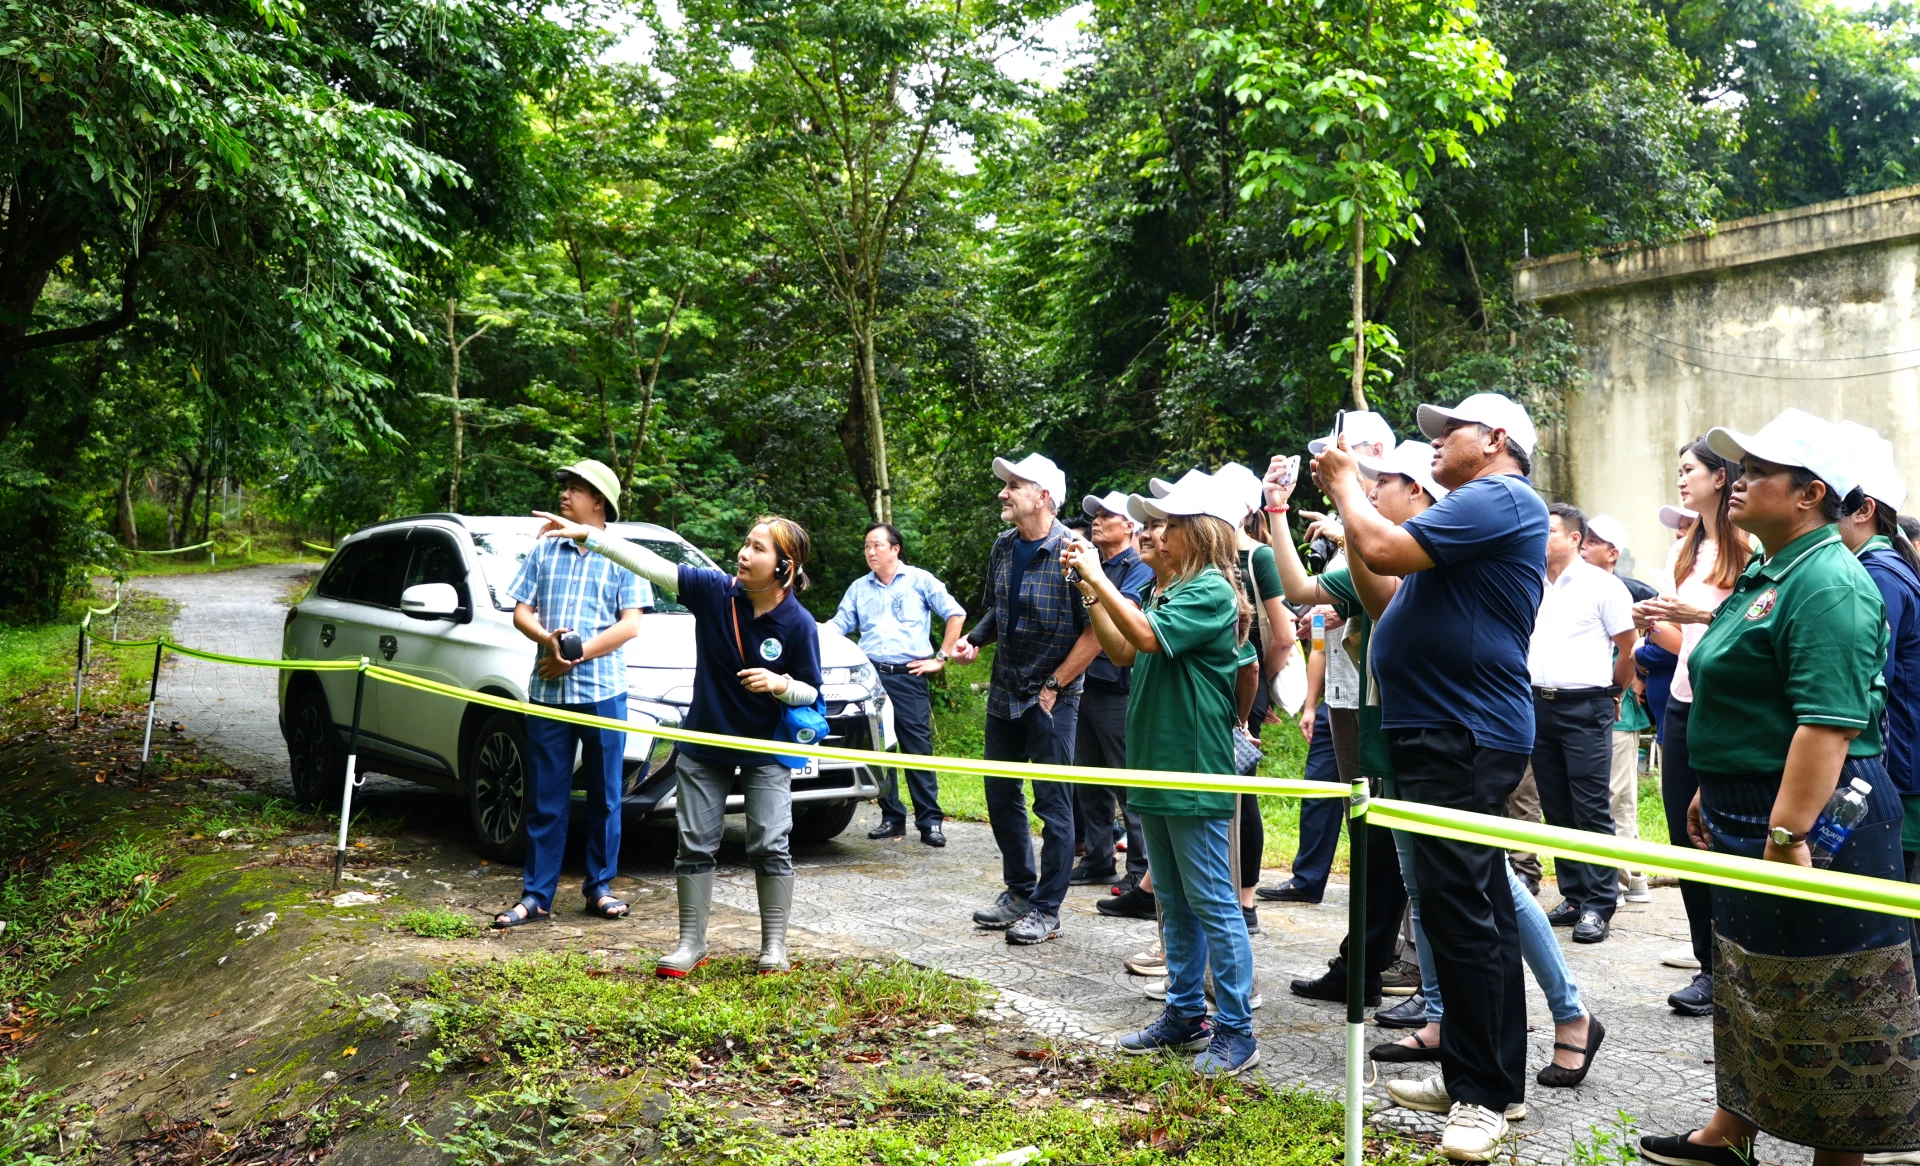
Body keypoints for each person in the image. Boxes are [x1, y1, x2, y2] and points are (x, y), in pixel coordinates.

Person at [1638, 408, 1920, 1166]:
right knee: (1750, 976)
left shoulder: (1829, 581)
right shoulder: (1773, 569)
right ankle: (1732, 1130)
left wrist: (1787, 835)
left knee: (1834, 993)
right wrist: (1714, 787)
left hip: (1812, 818)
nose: (1739, 481)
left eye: (1759, 472)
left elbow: (1827, 724)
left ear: (1809, 493)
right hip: (1749, 804)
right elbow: (1745, 695)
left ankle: (1842, 1157)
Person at [1313, 392, 1547, 1161]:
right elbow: (1386, 594)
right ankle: (1481, 1077)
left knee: (1465, 912)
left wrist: (1349, 484)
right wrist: (1353, 511)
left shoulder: (1499, 497)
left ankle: (1482, 1093)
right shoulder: (1462, 518)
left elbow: (1381, 554)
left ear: (1497, 438)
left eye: (1451, 431)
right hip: (1437, 732)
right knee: (1466, 910)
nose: (1436, 444)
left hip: (1464, 735)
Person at [535, 509, 823, 977]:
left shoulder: (798, 623)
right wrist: (592, 535)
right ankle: (691, 943)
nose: (744, 554)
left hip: (766, 749)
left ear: (784, 567)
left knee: (770, 844)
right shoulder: (714, 592)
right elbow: (647, 563)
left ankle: (774, 949)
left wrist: (779, 683)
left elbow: (811, 692)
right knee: (694, 845)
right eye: (745, 543)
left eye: (758, 548)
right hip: (704, 744)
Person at [1062, 479, 1260, 1077]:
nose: (1151, 531)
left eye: (1164, 523)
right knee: (1172, 900)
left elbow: (1145, 637)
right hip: (1154, 764)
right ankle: (1184, 1014)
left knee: (1213, 903)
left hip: (1192, 769)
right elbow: (1123, 652)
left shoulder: (1211, 592)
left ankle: (1235, 1029)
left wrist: (1098, 576)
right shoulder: (1165, 588)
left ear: (1197, 533)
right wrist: (1090, 588)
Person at [1260, 446, 1411, 1007]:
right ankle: (1363, 965)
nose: (1369, 492)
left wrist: (1346, 510)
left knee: (1423, 862)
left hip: (1418, 725)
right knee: (1379, 845)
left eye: (1380, 482)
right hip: (1369, 715)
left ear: (1415, 491)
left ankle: (1411, 981)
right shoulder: (1368, 556)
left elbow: (1378, 593)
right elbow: (1300, 590)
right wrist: (1277, 511)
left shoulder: (1412, 553)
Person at [953, 453, 1101, 947]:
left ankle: (1046, 909)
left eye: (1013, 485)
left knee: (1054, 805)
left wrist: (1054, 685)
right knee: (1001, 794)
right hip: (1004, 692)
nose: (1003, 493)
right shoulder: (1003, 545)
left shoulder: (1075, 552)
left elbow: (1097, 634)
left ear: (1043, 495)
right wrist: (974, 639)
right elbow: (999, 606)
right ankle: (1018, 890)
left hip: (1053, 697)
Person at [492, 460, 644, 929]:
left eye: (575, 489)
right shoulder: (544, 550)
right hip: (548, 692)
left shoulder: (623, 553)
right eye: (565, 487)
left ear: (598, 502)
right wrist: (549, 642)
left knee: (605, 797)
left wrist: (574, 653)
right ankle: (536, 895)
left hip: (604, 693)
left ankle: (600, 887)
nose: (564, 496)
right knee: (545, 797)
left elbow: (630, 624)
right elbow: (521, 613)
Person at [1635, 440, 1753, 1014]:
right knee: (1686, 842)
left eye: (1690, 470)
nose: (1681, 480)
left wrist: (1697, 614)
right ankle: (1708, 966)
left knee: (1722, 835)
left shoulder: (1748, 544)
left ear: (1720, 477)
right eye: (1678, 469)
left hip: (1727, 706)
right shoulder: (1687, 545)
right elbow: (1685, 644)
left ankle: (1739, 967)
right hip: (1683, 702)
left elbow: (1755, 620)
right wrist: (1653, 623)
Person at [1529, 503, 1637, 943]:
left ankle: (1599, 904)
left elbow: (1628, 647)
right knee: (1556, 806)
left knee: (1591, 806)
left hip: (1585, 706)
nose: (1541, 537)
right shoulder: (1530, 579)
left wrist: (1614, 693)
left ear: (1575, 538)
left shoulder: (1602, 586)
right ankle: (1573, 896)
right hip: (1538, 704)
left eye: (1550, 530)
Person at [827, 522, 966, 847]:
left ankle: (930, 821)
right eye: (866, 546)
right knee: (882, 746)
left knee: (917, 749)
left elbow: (955, 614)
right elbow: (842, 623)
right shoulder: (859, 588)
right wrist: (818, 629)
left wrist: (941, 658)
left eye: (876, 545)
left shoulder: (920, 581)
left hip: (909, 675)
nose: (870, 551)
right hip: (870, 676)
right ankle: (891, 818)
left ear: (895, 548)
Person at [1833, 422, 1920, 938]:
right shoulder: (1880, 566)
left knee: (1899, 917)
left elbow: (1864, 686)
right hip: (1900, 767)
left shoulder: (1878, 575)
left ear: (1864, 510)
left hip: (1898, 770)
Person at [1213, 461, 1298, 931]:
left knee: (1242, 794)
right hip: (1212, 681)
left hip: (1246, 684)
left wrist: (1257, 684)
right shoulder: (1205, 556)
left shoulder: (1257, 557)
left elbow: (1283, 634)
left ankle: (1245, 902)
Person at [1071, 491, 1154, 891]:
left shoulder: (1138, 567)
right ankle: (1098, 859)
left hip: (1116, 689)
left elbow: (1123, 620)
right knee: (1089, 781)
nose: (1097, 521)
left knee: (1127, 782)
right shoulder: (1093, 566)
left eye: (1107, 515)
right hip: (1083, 686)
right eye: (1095, 515)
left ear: (1130, 526)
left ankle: (1139, 868)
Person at [1583, 512, 1657, 905]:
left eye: (1593, 541)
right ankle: (1610, 879)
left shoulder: (1631, 593)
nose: (1583, 546)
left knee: (1619, 794)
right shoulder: (1567, 589)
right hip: (1586, 708)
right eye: (1583, 539)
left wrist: (1636, 677)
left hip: (1620, 709)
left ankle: (1632, 876)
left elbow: (1643, 648)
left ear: (1613, 553)